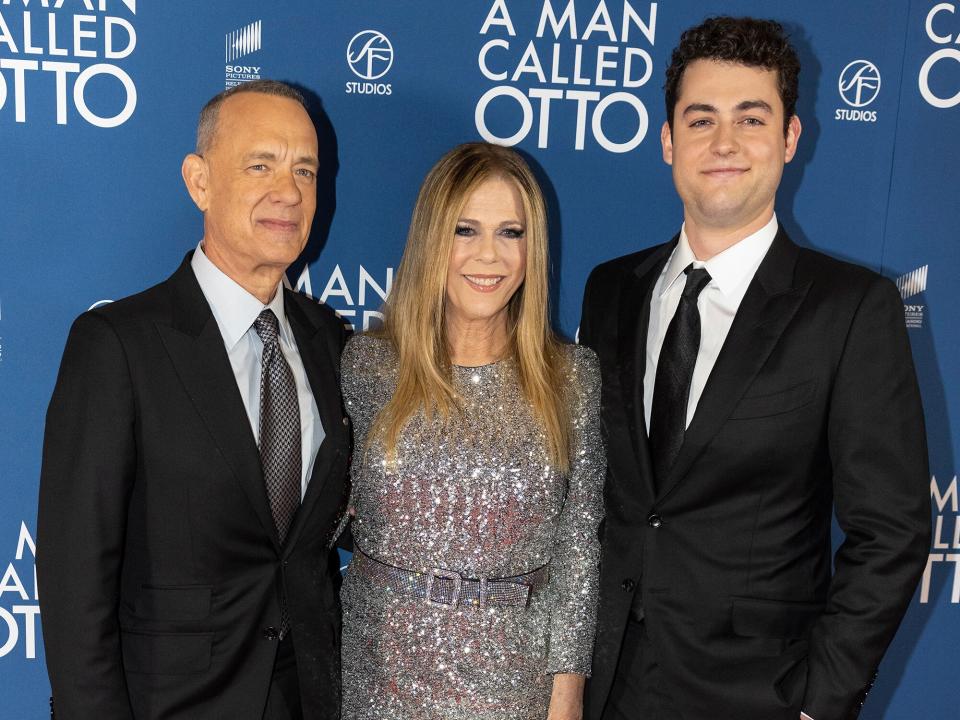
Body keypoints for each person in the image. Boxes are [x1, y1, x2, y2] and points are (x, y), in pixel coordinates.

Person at [580, 17, 930, 720]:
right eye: (701, 119)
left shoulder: (851, 308)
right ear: (668, 140)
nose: (725, 143)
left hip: (758, 696)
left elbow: (891, 531)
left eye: (752, 118)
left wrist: (818, 701)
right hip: (604, 685)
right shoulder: (611, 288)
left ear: (790, 138)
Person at [37, 80, 349, 719]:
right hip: (169, 704)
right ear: (199, 181)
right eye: (259, 164)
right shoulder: (118, 345)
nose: (287, 191)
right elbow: (76, 578)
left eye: (305, 170)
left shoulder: (331, 343)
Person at [339, 142, 604, 720]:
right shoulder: (366, 366)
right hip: (380, 672)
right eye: (465, 230)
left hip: (517, 681)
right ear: (432, 239)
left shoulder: (573, 377)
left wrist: (568, 691)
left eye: (511, 233)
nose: (489, 256)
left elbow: (578, 545)